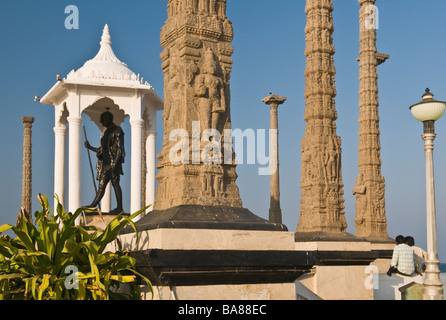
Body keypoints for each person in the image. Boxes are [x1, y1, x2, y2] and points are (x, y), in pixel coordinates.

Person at [84, 111, 125, 214]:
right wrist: (90, 147)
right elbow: (102, 150)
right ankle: (92, 206)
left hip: (113, 163)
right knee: (101, 186)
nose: (101, 121)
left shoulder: (117, 131)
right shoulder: (106, 132)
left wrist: (115, 165)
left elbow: (120, 149)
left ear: (108, 119)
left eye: (102, 119)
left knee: (115, 184)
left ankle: (119, 208)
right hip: (106, 164)